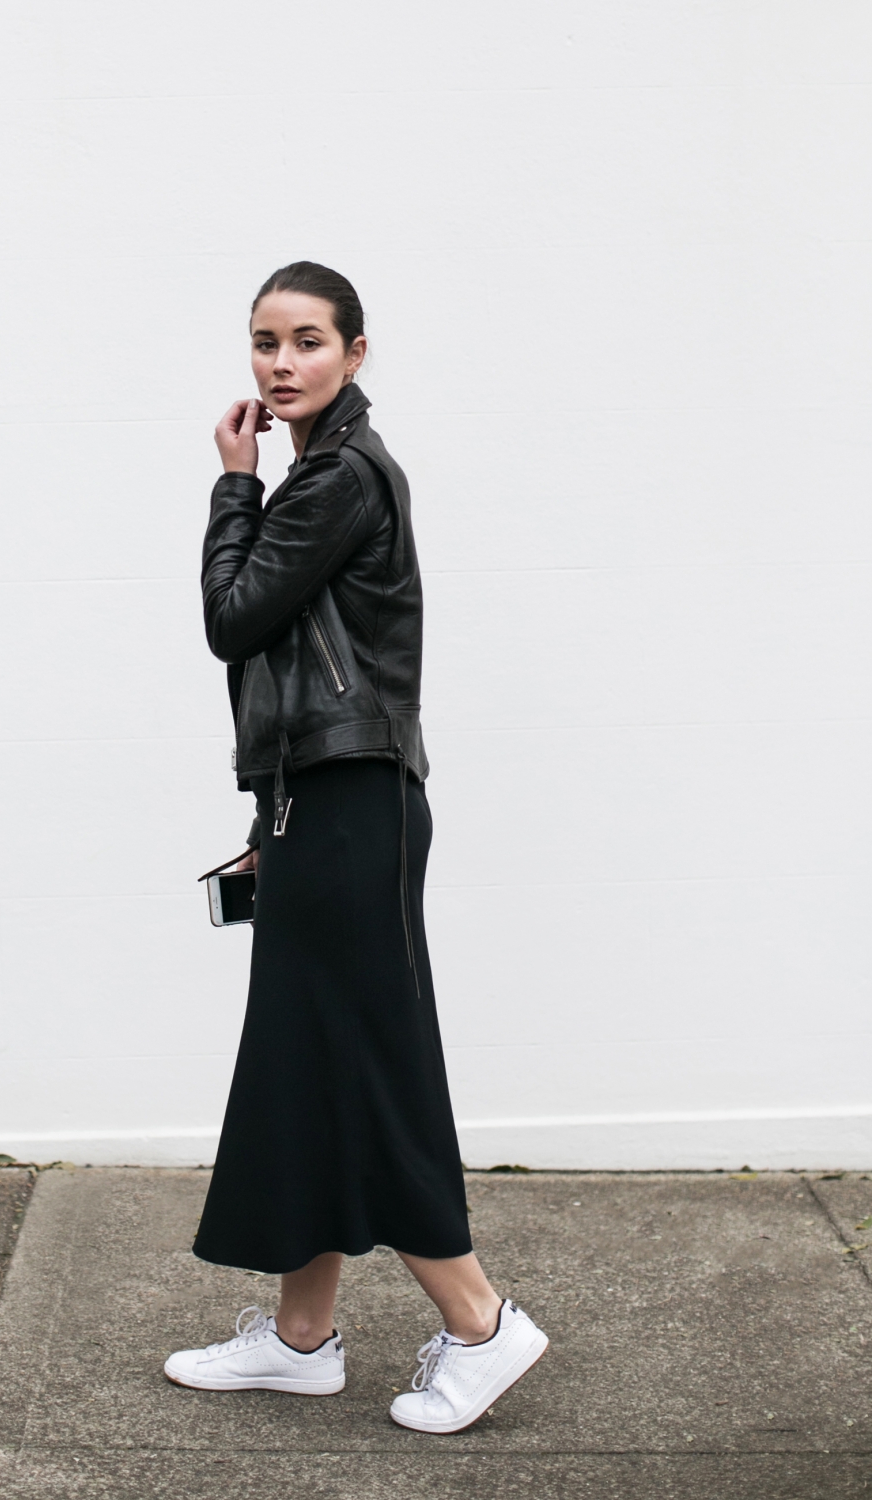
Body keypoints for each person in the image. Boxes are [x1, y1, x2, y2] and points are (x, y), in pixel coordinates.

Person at [164, 262, 547, 1433]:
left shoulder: (338, 477)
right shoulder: (320, 472)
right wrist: (266, 824)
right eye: (264, 343)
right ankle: (300, 1338)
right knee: (302, 1063)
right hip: (319, 805)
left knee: (365, 1063)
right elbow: (294, 675)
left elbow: (235, 617)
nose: (281, 364)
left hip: (354, 807)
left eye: (308, 342)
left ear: (356, 354)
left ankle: (483, 1324)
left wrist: (233, 487)